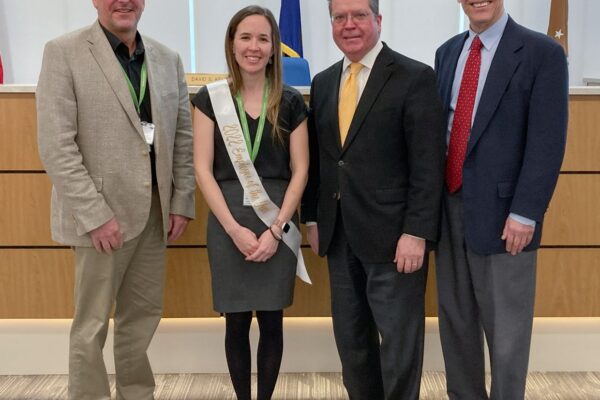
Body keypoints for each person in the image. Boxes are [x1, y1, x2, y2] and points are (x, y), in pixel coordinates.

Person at [36, 0, 196, 398]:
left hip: (155, 214)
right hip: (100, 220)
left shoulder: (167, 59)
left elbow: (182, 140)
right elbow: (56, 147)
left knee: (141, 318)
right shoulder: (63, 52)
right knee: (91, 325)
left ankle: (137, 392)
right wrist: (94, 216)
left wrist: (180, 202)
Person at [301, 0, 446, 398]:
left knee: (399, 345)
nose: (349, 25)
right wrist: (312, 218)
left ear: (378, 21)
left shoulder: (414, 77)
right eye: (339, 17)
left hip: (395, 239)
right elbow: (321, 159)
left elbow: (427, 164)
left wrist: (417, 232)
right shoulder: (325, 81)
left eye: (359, 16)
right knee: (352, 343)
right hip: (338, 235)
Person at [434, 1, 568, 399]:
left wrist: (526, 212)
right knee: (456, 329)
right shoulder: (447, 53)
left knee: (508, 338)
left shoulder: (541, 53)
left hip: (506, 219)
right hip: (449, 210)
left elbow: (547, 141)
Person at [192, 6, 309, 400]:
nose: (254, 47)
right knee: (236, 322)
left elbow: (301, 171)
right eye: (245, 37)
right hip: (228, 221)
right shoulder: (210, 99)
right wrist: (233, 229)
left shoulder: (291, 101)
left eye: (263, 39)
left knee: (272, 319)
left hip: (277, 216)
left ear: (275, 47)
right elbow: (202, 170)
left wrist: (276, 230)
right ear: (232, 43)